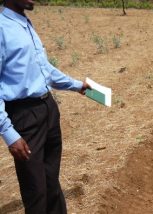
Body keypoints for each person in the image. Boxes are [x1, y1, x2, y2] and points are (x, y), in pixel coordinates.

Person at [0, 0, 91, 213]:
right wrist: (9, 133)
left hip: (48, 109)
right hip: (24, 116)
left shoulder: (25, 23)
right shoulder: (2, 28)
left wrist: (77, 85)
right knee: (36, 191)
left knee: (51, 182)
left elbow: (45, 70)